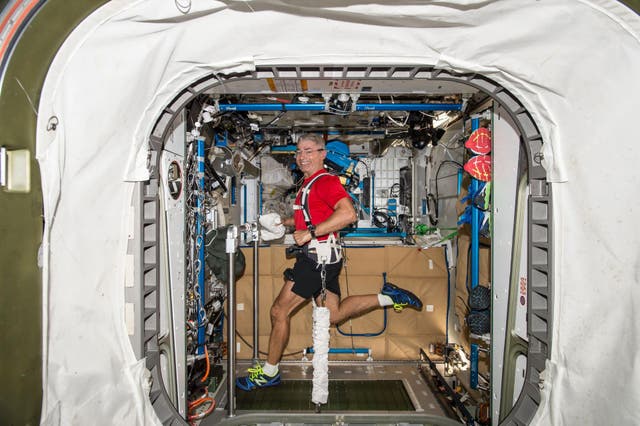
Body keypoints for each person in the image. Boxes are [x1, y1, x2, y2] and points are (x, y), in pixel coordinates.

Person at [236, 133, 423, 391]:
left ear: (323, 154)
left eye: (309, 151)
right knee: (333, 315)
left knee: (279, 311)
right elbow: (312, 218)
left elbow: (348, 214)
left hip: (317, 259)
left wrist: (311, 233)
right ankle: (390, 297)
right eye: (300, 152)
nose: (303, 156)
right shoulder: (309, 184)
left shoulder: (324, 181)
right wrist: (285, 223)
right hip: (325, 258)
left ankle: (270, 372)